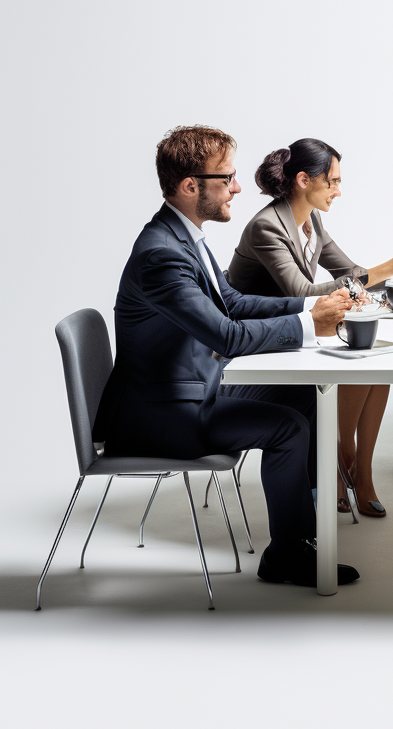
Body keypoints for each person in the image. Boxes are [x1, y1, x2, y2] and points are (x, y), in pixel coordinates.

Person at [94, 126, 360, 588]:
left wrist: (307, 307)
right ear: (190, 186)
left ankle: (304, 535)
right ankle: (287, 556)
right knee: (289, 425)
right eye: (227, 178)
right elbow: (227, 334)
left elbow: (231, 302)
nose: (238, 187)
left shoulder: (182, 237)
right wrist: (307, 326)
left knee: (301, 400)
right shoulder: (161, 255)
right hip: (160, 416)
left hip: (190, 391)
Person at [227, 138, 393, 518]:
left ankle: (360, 471)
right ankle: (342, 457)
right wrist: (386, 269)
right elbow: (302, 292)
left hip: (295, 333)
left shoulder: (311, 221)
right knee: (359, 358)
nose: (339, 191)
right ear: (304, 180)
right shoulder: (265, 227)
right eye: (332, 182)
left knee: (375, 362)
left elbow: (348, 273)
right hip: (257, 345)